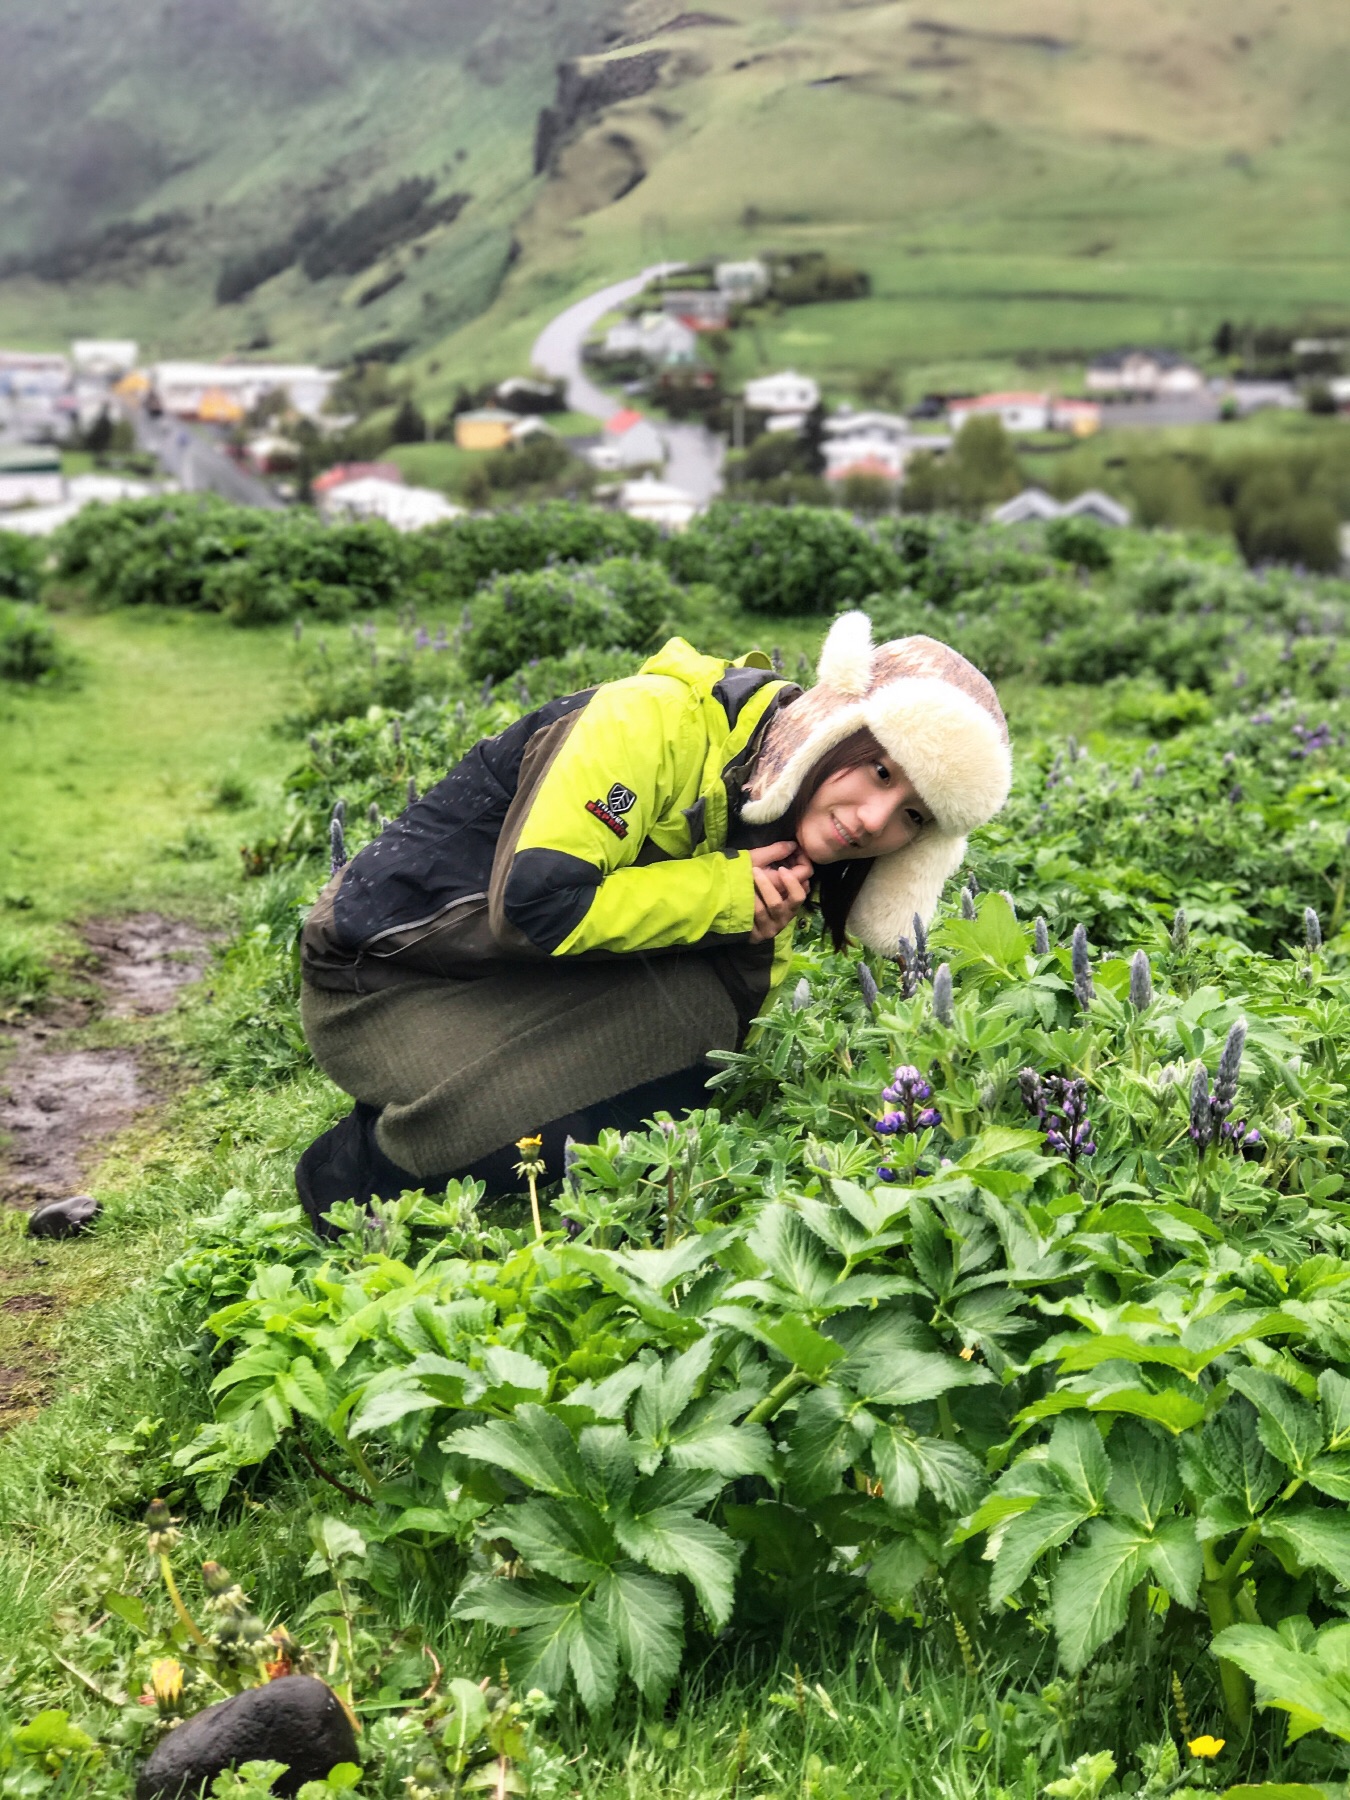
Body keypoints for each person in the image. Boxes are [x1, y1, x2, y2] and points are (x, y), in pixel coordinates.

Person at [293, 609, 1011, 1232]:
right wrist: (724, 895)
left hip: (494, 974)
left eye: (913, 816)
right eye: (881, 772)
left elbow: (726, 1017)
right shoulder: (656, 719)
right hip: (381, 974)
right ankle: (353, 1173)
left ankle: (491, 1110)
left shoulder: (781, 815)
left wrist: (740, 922)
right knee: (485, 1130)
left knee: (676, 1056)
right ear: (837, 731)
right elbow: (536, 902)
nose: (874, 820)